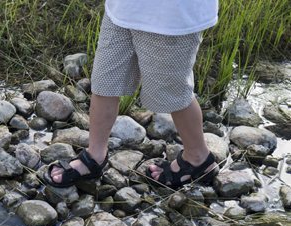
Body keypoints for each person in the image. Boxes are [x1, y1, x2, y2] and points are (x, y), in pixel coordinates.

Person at [45, 0, 220, 189]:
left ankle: (198, 157)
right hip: (123, 10)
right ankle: (95, 155)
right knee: (105, 82)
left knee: (173, 94)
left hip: (170, 19)